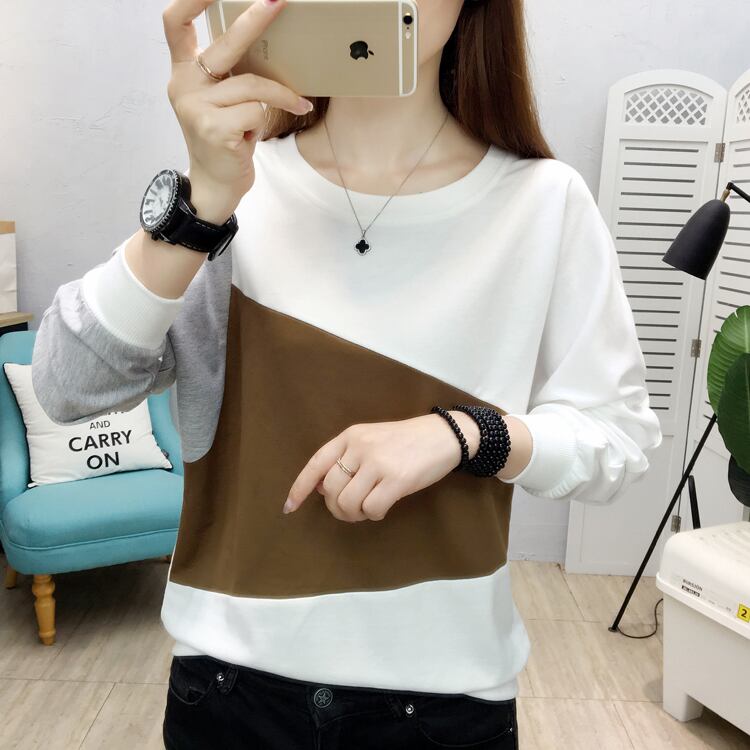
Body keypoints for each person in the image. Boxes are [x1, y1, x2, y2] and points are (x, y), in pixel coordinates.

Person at [31, 0, 663, 747]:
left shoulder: (544, 201)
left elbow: (619, 438)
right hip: (228, 688)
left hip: (445, 702)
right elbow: (66, 387)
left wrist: (468, 435)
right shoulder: (234, 189)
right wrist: (201, 201)